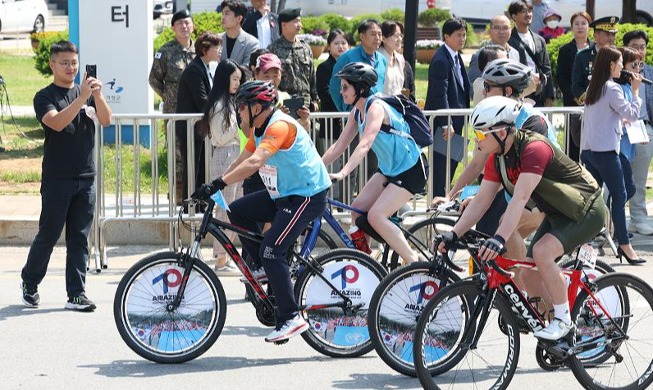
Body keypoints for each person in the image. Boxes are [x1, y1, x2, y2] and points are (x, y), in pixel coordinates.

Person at [438, 95, 606, 341]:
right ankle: (557, 331)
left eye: (482, 135)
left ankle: (563, 321)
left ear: (503, 132)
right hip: (560, 211)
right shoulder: (499, 159)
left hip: (586, 208)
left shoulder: (534, 149)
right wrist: (454, 234)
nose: (477, 140)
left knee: (542, 252)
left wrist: (499, 239)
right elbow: (482, 200)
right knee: (527, 273)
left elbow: (520, 198)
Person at [196, 80, 331, 342]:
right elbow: (242, 159)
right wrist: (215, 185)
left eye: (241, 108)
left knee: (272, 249)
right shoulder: (258, 129)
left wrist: (222, 183)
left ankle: (291, 316)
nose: (238, 113)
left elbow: (257, 162)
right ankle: (262, 266)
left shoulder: (278, 126)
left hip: (306, 195)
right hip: (284, 194)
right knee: (237, 211)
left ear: (256, 108)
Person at [435, 59, 558, 261]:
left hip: (544, 197)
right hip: (521, 195)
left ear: (507, 91)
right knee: (493, 254)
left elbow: (519, 176)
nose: (483, 92)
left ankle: (522, 286)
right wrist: (451, 195)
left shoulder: (530, 122)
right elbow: (477, 164)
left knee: (502, 231)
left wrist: (478, 197)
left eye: (488, 87)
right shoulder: (497, 119)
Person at [20, 40, 112, 311]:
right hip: (57, 178)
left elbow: (106, 120)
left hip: (86, 176)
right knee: (49, 234)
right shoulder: (44, 96)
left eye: (74, 62)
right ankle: (30, 281)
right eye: (65, 63)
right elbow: (57, 123)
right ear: (52, 64)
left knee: (79, 238)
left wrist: (98, 96)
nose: (71, 68)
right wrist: (82, 98)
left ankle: (76, 293)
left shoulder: (87, 92)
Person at [322, 62, 427, 265]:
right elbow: (339, 146)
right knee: (357, 210)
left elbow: (364, 145)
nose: (341, 92)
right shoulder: (356, 112)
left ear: (360, 88)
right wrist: (314, 169)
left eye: (345, 87)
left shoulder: (376, 108)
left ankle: (414, 262)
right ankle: (368, 263)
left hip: (411, 169)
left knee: (377, 216)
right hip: (389, 169)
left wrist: (342, 173)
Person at [580, 46, 646, 265]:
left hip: (590, 151)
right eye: (619, 63)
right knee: (619, 196)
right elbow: (632, 113)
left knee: (592, 199)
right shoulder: (612, 88)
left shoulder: (595, 86)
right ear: (611, 65)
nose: (621, 67)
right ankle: (624, 244)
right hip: (606, 152)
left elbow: (610, 116)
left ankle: (585, 243)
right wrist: (635, 91)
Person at [202, 59, 247, 274]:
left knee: (234, 206)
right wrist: (240, 125)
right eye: (234, 79)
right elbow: (219, 137)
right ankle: (220, 256)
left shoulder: (228, 101)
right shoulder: (219, 104)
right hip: (225, 154)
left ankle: (224, 254)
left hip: (234, 154)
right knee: (225, 207)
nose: (237, 83)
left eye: (239, 79)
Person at [424, 17, 470, 197]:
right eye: (458, 35)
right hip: (445, 124)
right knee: (441, 168)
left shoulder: (456, 56)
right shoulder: (441, 60)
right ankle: (436, 206)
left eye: (464, 35)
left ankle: (443, 199)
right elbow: (438, 94)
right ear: (446, 36)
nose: (462, 39)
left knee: (450, 165)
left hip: (457, 121)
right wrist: (446, 122)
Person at [175, 32, 222, 203]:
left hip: (199, 129)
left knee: (201, 168)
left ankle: (200, 204)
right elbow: (202, 100)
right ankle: (190, 206)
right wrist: (220, 111)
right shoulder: (195, 70)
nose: (220, 51)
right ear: (204, 49)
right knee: (192, 169)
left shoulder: (204, 67)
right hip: (190, 129)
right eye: (216, 47)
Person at [316, 29, 353, 200]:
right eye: (336, 43)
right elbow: (325, 94)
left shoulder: (352, 66)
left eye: (343, 43)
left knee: (349, 163)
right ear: (329, 46)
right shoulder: (324, 68)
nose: (340, 46)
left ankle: (345, 200)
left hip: (351, 122)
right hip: (331, 122)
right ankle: (330, 200)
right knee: (332, 162)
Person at [623, 29, 653, 236]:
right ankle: (610, 220)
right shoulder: (618, 71)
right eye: (634, 47)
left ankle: (639, 218)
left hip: (644, 127)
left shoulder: (650, 71)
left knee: (640, 178)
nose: (639, 51)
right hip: (621, 129)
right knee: (617, 178)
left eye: (642, 47)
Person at [556, 11, 592, 161]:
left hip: (594, 102)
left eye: (584, 23)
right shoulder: (565, 50)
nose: (580, 27)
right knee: (573, 142)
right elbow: (561, 77)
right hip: (573, 103)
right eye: (576, 24)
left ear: (589, 27)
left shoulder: (596, 50)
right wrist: (575, 96)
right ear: (571, 27)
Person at [329, 19, 387, 112]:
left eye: (379, 34)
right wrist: (345, 109)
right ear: (362, 36)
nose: (377, 38)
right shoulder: (347, 57)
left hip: (374, 113)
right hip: (353, 115)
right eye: (373, 34)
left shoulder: (382, 60)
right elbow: (335, 86)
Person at [268, 8, 319, 113]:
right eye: (295, 21)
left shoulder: (305, 47)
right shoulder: (273, 48)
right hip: (285, 104)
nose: (299, 24)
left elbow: (312, 76)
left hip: (306, 104)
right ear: (284, 25)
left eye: (300, 21)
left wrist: (315, 99)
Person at [507, 0, 554, 107]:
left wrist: (549, 95)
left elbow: (546, 68)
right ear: (514, 16)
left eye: (530, 11)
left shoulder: (539, 40)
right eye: (524, 11)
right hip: (518, 93)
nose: (528, 14)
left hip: (538, 92)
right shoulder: (509, 40)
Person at [148, 9, 195, 115]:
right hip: (174, 110)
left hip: (196, 109)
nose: (184, 26)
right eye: (179, 23)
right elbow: (154, 79)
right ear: (173, 28)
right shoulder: (165, 51)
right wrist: (168, 96)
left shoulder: (200, 50)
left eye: (187, 22)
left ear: (193, 26)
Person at [571, 16, 619, 106]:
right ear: (595, 35)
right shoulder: (582, 57)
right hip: (591, 106)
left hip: (615, 106)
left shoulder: (619, 56)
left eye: (613, 34)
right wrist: (590, 100)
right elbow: (576, 86)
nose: (611, 38)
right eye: (607, 34)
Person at [467, 14, 520, 85]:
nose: (501, 32)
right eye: (497, 28)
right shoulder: (480, 55)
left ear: (511, 30)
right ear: (490, 30)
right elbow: (472, 85)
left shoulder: (515, 53)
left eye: (505, 28)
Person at [218, 1, 260, 77]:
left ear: (239, 18)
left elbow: (247, 72)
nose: (223, 17)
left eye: (227, 14)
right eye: (222, 14)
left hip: (239, 87)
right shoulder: (217, 40)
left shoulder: (252, 43)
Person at [378, 20, 415, 100]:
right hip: (380, 106)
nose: (399, 39)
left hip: (398, 106)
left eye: (400, 35)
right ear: (383, 38)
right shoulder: (377, 58)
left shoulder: (400, 59)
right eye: (395, 36)